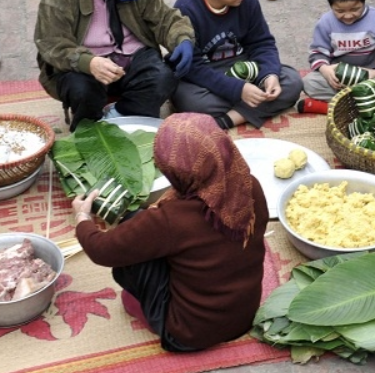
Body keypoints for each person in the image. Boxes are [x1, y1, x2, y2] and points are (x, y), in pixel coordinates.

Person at [71, 113, 269, 351]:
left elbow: (101, 250)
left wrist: (82, 217)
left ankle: (142, 308)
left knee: (132, 232)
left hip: (186, 333)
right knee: (145, 230)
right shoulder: (250, 185)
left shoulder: (171, 219)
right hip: (244, 316)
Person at [34, 0, 195, 131]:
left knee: (163, 77)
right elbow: (51, 43)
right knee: (83, 91)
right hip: (85, 64)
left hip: (131, 56)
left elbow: (164, 18)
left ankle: (121, 114)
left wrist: (182, 38)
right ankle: (90, 126)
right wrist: (88, 63)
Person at [172, 0, 303, 130]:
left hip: (245, 67)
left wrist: (269, 75)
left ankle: (228, 119)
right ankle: (252, 108)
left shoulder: (248, 2)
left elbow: (262, 43)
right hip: (208, 73)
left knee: (292, 82)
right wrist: (238, 90)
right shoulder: (186, 10)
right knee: (188, 100)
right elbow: (193, 67)